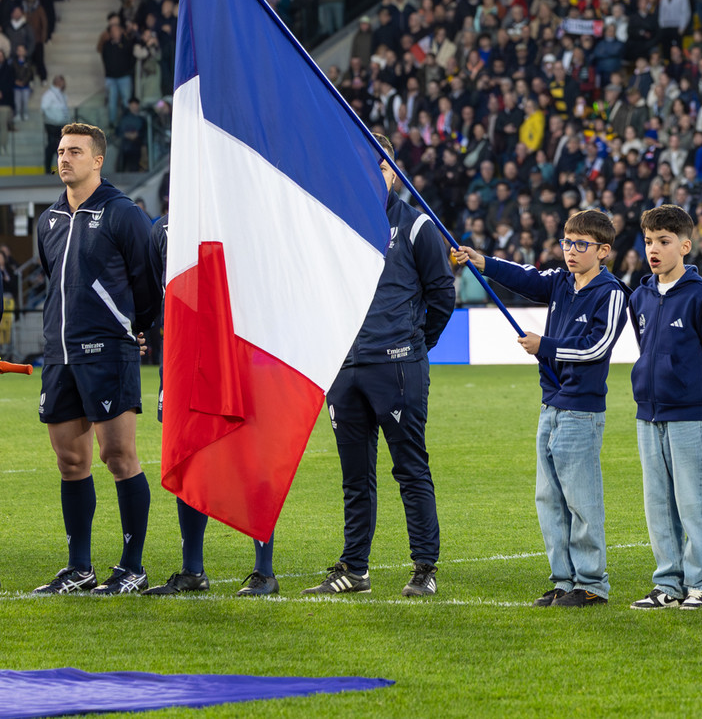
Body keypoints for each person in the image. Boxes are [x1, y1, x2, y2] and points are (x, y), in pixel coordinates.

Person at [304, 135, 455, 597]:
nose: (369, 175)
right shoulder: (331, 225)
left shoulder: (415, 226)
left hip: (396, 367)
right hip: (344, 369)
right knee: (354, 475)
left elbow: (442, 295)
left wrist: (412, 345)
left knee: (409, 468)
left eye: (379, 167)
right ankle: (354, 568)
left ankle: (424, 567)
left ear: (393, 171)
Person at [454, 209, 629, 607]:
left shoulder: (612, 292)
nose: (570, 251)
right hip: (550, 404)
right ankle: (563, 580)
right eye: (567, 242)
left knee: (581, 500)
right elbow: (528, 278)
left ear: (603, 251)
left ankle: (591, 584)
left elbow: (597, 348)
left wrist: (544, 346)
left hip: (580, 409)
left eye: (581, 245)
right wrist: (485, 262)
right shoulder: (562, 282)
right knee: (549, 499)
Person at [32, 123, 162, 595]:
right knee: (70, 460)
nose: (64, 158)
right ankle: (80, 568)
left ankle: (132, 567)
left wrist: (136, 327)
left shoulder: (122, 213)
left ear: (97, 160)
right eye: (61, 151)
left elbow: (147, 280)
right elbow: (54, 282)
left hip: (108, 350)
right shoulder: (48, 220)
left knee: (118, 455)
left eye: (75, 152)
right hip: (59, 354)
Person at [141, 212, 281, 597]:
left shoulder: (244, 216)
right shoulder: (162, 228)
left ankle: (264, 571)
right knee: (189, 457)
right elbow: (160, 293)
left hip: (239, 356)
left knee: (250, 460)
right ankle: (192, 571)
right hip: (183, 359)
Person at [627, 204, 702, 611]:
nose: (654, 249)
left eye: (664, 242)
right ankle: (667, 583)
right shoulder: (641, 296)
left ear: (685, 246)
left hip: (687, 412)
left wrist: (701, 401)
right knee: (658, 501)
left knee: (693, 498)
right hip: (647, 413)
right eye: (649, 241)